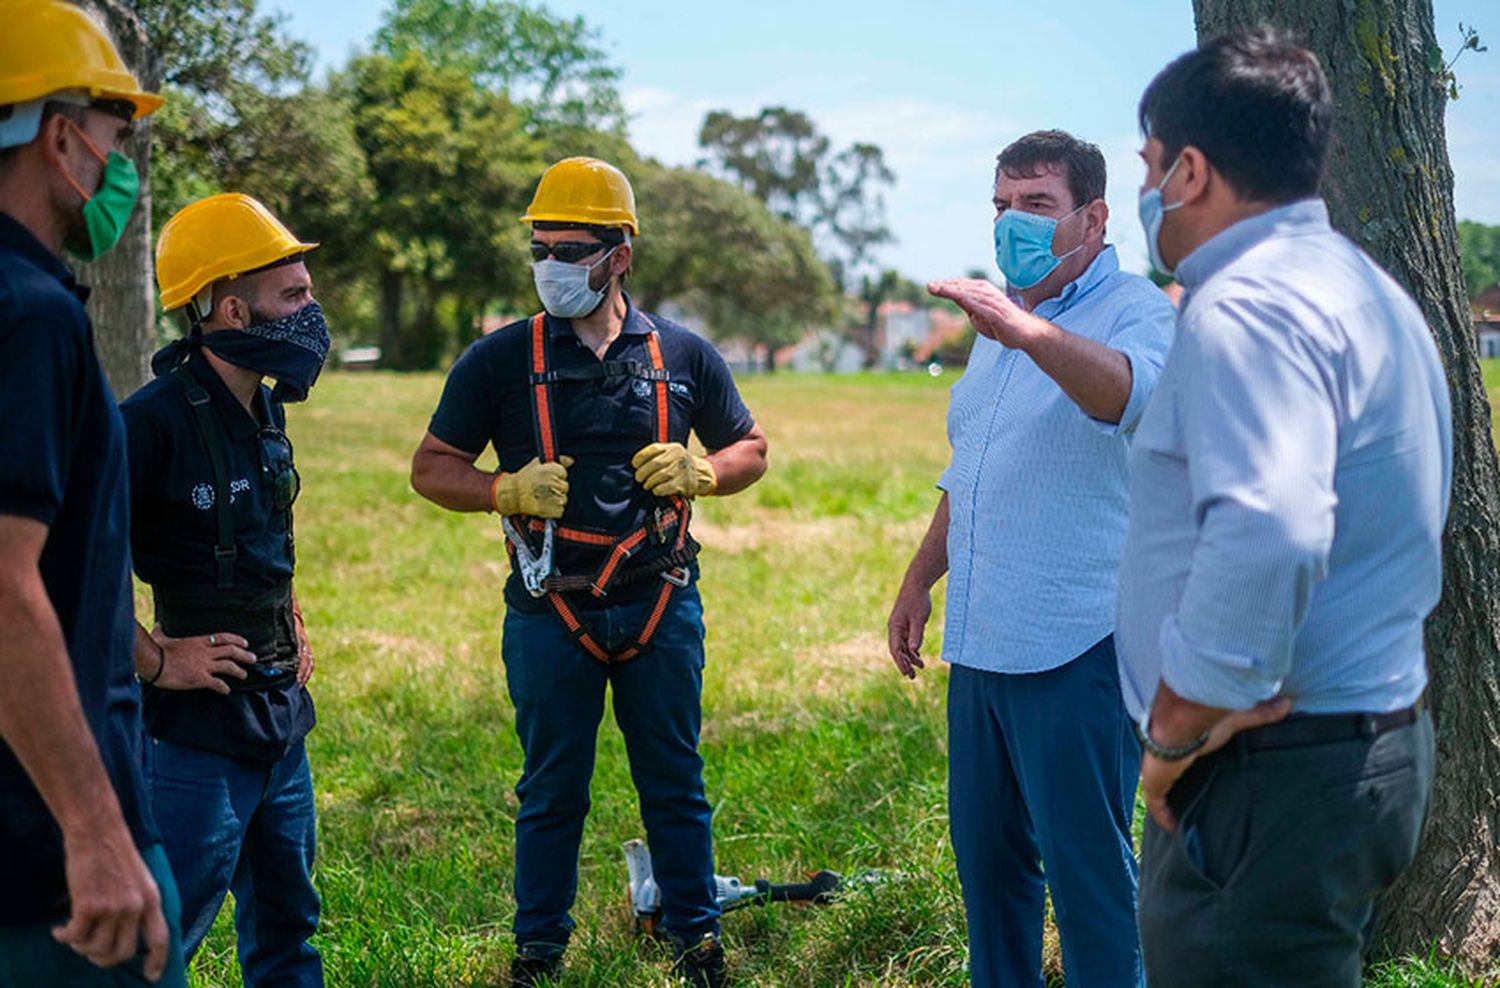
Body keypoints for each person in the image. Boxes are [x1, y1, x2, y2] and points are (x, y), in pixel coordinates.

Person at [1117, 29, 1450, 987]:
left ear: (1189, 170)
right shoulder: (1361, 287)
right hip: (1356, 749)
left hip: (1264, 772)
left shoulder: (1247, 306)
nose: (1150, 186)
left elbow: (1271, 530)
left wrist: (1175, 730)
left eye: (1148, 162)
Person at [410, 156, 768, 988]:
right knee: (550, 792)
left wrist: (706, 473)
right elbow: (431, 468)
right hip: (550, 614)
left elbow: (750, 447)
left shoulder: (681, 353)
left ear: (620, 256)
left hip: (659, 605)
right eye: (541, 247)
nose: (552, 265)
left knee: (675, 783)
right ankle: (538, 951)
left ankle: (697, 940)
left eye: (572, 249)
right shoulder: (498, 362)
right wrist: (501, 488)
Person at [886, 130, 1175, 988]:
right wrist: (917, 579)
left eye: (1036, 206)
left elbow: (1131, 396)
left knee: (1089, 883)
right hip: (981, 644)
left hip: (1076, 644)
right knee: (991, 877)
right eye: (1002, 206)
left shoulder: (1136, 307)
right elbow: (974, 461)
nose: (1014, 223)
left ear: (1091, 217)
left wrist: (1025, 331)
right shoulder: (999, 323)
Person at [0, 2, 186, 984]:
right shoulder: (31, 315)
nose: (122, 167)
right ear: (61, 137)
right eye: (119, 138)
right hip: (48, 869)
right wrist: (96, 831)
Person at [120, 192, 327, 986]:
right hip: (193, 737)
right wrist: (152, 660)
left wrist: (290, 611)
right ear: (234, 309)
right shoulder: (149, 424)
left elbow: (266, 526)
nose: (312, 313)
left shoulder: (265, 406)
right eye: (296, 297)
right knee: (163, 936)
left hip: (280, 717)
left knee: (288, 926)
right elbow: (76, 562)